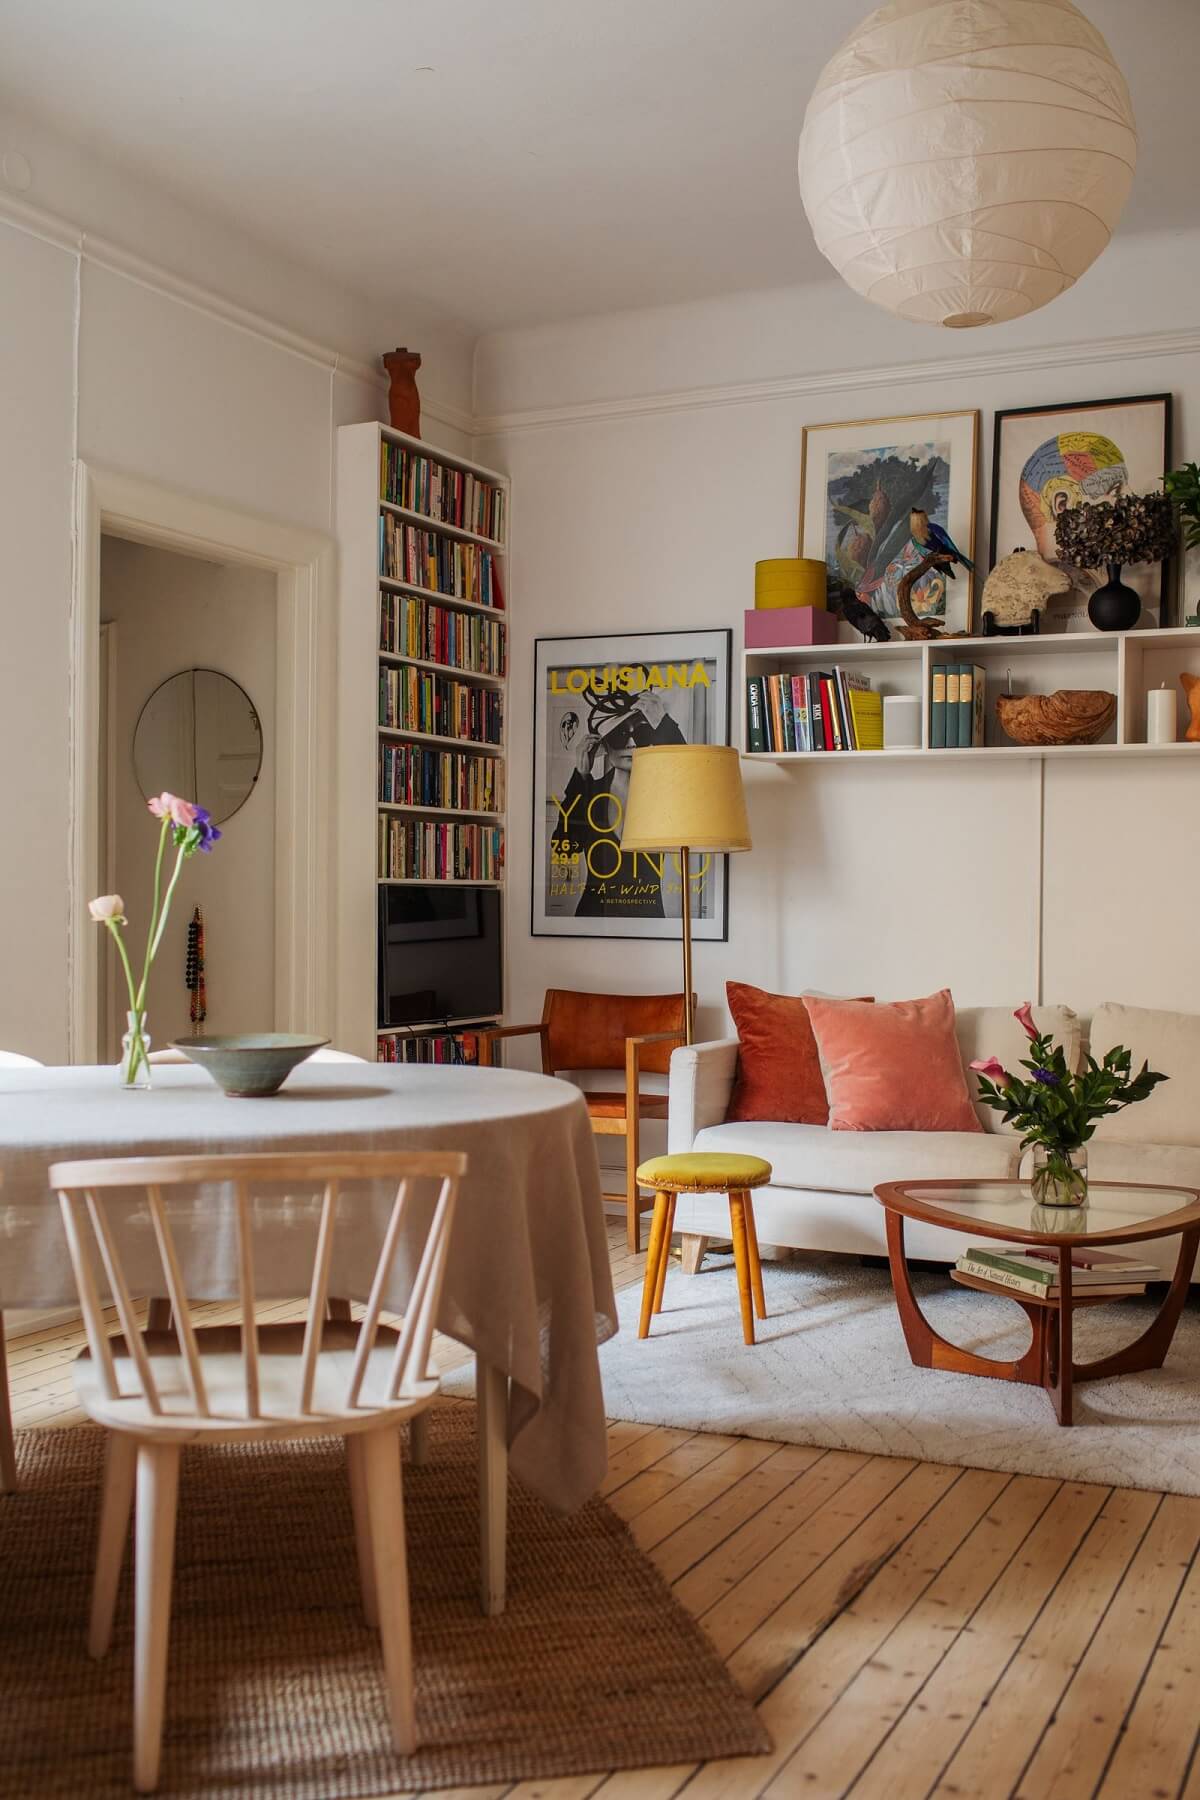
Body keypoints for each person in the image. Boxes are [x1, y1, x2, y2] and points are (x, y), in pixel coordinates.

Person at [554, 680, 685, 919]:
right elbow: (565, 848)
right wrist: (580, 776)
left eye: (642, 734)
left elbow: (690, 779)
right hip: (593, 919)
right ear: (602, 742)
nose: (631, 743)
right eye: (619, 735)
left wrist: (664, 724)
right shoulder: (589, 790)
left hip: (649, 921)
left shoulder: (662, 793)